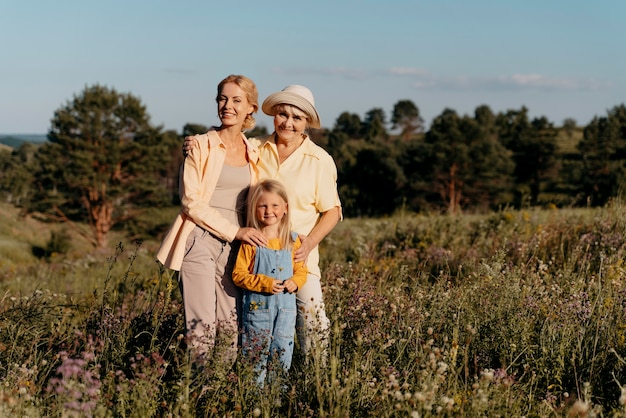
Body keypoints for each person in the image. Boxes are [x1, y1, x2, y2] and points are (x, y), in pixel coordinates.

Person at [185, 84, 342, 359]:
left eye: (297, 118)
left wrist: (310, 243)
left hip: (297, 257)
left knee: (313, 319)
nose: (288, 123)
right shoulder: (254, 147)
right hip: (254, 255)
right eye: (283, 115)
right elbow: (225, 141)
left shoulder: (320, 160)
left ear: (306, 123)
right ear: (274, 116)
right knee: (252, 321)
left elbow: (333, 211)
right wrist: (197, 141)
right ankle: (252, 381)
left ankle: (314, 384)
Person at [157, 74, 268, 363]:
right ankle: (196, 396)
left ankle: (218, 399)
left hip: (237, 250)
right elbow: (190, 202)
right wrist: (236, 231)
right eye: (222, 98)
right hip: (201, 240)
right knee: (201, 331)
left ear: (250, 109)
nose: (227, 105)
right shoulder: (201, 146)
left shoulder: (255, 150)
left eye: (236, 100)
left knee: (230, 330)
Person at [232, 179, 307, 385]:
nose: (269, 211)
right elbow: (238, 274)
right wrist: (263, 283)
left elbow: (301, 270)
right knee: (255, 357)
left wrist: (295, 282)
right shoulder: (252, 241)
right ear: (255, 209)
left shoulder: (293, 241)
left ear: (285, 208)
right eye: (263, 205)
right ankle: (254, 402)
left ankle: (276, 403)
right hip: (258, 313)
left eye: (275, 205)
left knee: (281, 356)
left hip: (285, 313)